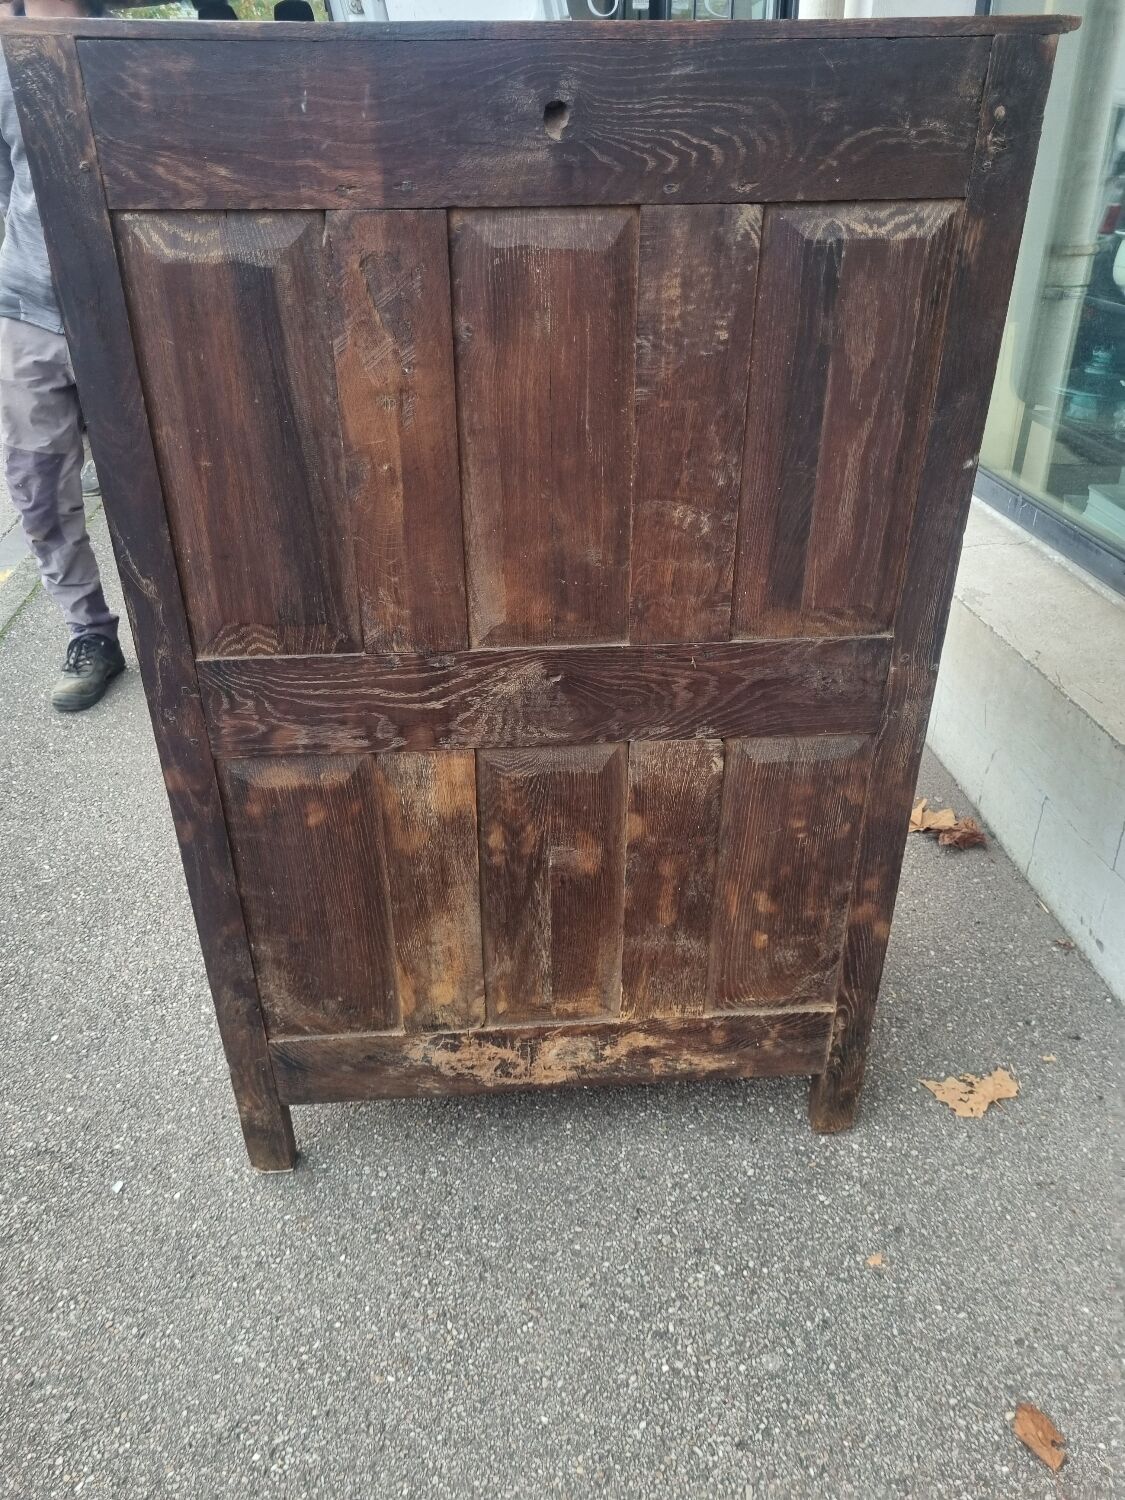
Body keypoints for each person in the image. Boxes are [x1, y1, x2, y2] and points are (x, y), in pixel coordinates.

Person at [0, 0, 125, 711]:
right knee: (40, 491)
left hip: (127, 305)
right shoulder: (4, 59)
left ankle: (193, 624)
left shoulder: (124, 45)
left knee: (162, 483)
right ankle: (91, 634)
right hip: (28, 309)